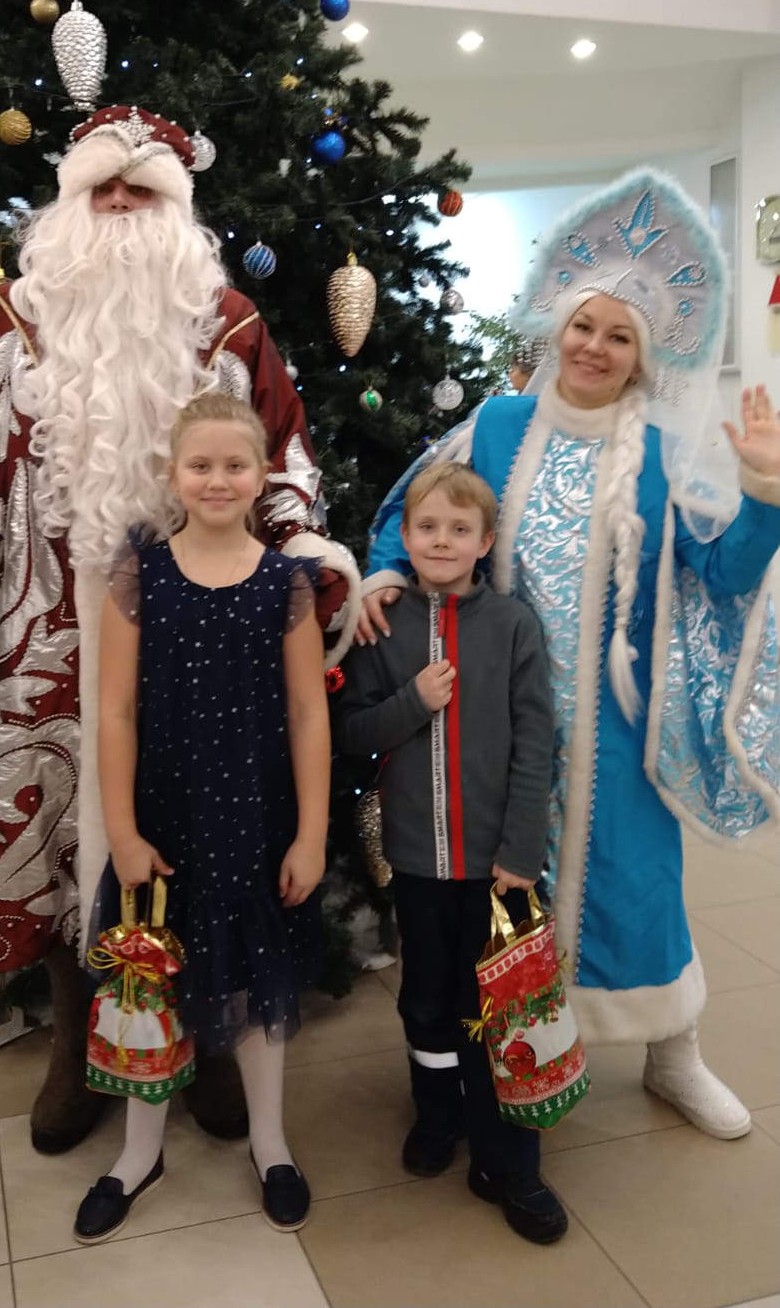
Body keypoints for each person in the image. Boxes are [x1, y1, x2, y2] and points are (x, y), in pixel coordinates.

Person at [0, 104, 358, 1154]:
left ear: (176, 208)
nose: (122, 204)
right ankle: (80, 1043)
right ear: (70, 200)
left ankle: (206, 1036)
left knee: (203, 832)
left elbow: (283, 459)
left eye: (143, 190)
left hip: (203, 640)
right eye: (103, 186)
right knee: (60, 841)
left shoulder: (228, 323)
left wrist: (307, 555)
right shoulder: (6, 319)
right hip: (43, 631)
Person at [358, 166, 780, 1141]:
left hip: (619, 726)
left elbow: (722, 576)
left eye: (618, 336)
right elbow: (414, 509)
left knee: (635, 883)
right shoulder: (496, 426)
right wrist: (383, 573)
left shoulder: (665, 453)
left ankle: (672, 1052)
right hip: (495, 722)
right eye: (584, 325)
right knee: (500, 897)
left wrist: (763, 493)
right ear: (558, 327)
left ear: (643, 355)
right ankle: (516, 1051)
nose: (594, 346)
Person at [73, 392, 329, 1242]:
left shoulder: (284, 583)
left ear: (261, 474)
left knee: (258, 983)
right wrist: (122, 831)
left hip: (256, 821)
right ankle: (138, 1151)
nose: (217, 480)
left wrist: (311, 834)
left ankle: (270, 1142)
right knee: (149, 979)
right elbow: (114, 712)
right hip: (165, 822)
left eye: (234, 465)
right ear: (173, 473)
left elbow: (307, 714)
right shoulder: (140, 575)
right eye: (200, 465)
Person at [334, 459, 567, 1245]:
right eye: (427, 527)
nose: (441, 540)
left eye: (458, 529)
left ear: (484, 542)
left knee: (498, 1008)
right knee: (427, 1000)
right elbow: (351, 731)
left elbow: (534, 743)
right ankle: (437, 1116)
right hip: (417, 864)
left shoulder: (512, 626)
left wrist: (521, 848)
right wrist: (413, 702)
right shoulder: (381, 625)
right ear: (404, 537)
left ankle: (510, 1159)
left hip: (497, 868)